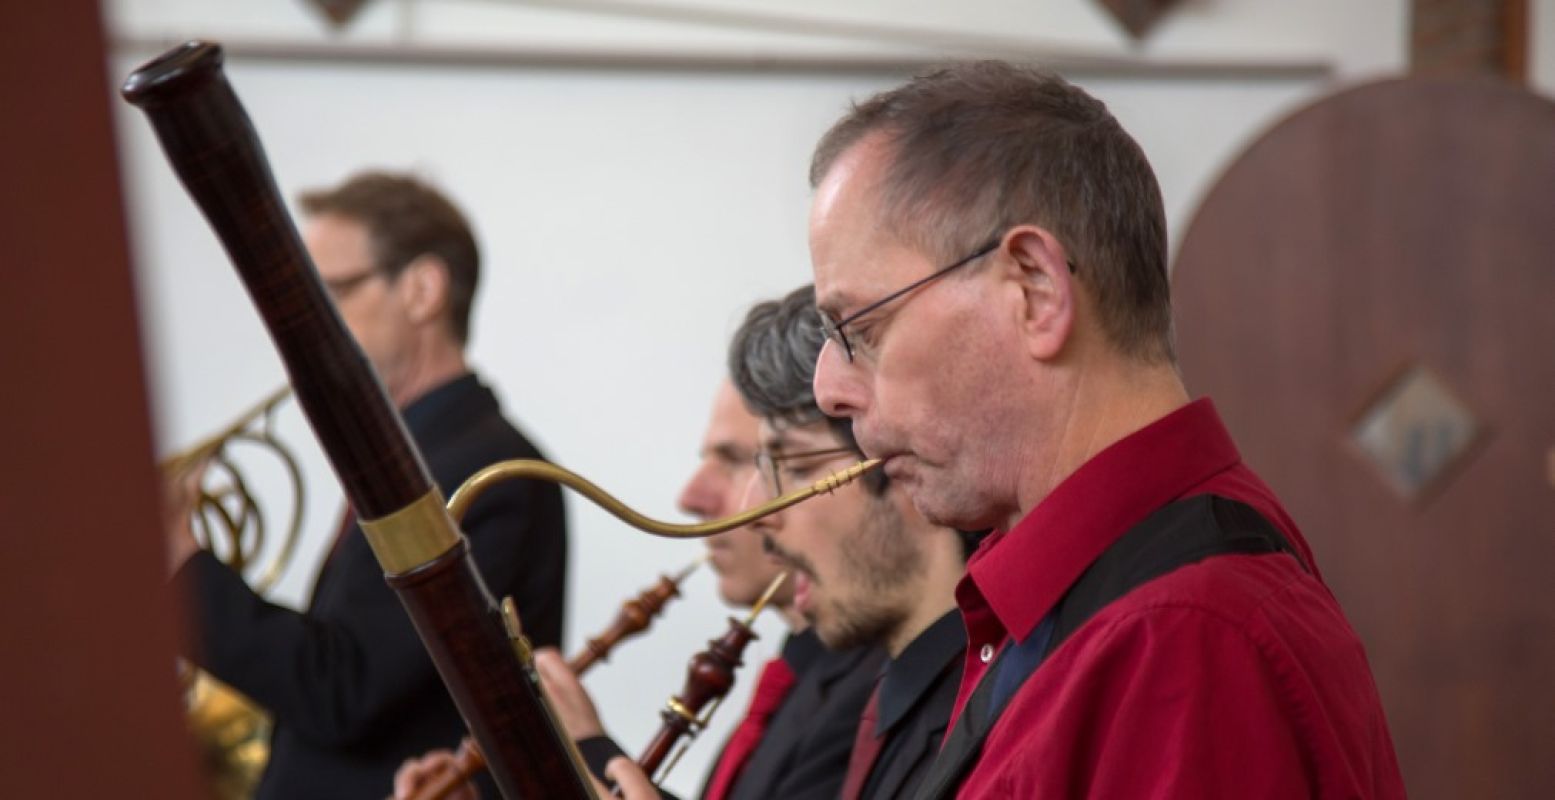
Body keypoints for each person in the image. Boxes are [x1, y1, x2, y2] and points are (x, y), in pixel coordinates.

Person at [798, 61, 1406, 798]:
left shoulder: (1181, 638)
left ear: (1034, 289)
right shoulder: (1112, 603)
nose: (827, 389)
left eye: (859, 326)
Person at [167, 171, 568, 799]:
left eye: (331, 293)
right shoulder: (415, 456)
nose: (300, 323)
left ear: (421, 289)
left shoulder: (482, 469)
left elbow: (342, 691)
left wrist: (182, 567)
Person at [393, 378, 881, 800]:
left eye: (739, 461)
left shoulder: (866, 693)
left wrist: (585, 748)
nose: (691, 497)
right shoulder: (804, 674)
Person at [731, 285, 972, 799]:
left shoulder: (981, 704)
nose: (755, 515)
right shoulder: (896, 689)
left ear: (901, 462)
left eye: (796, 467)